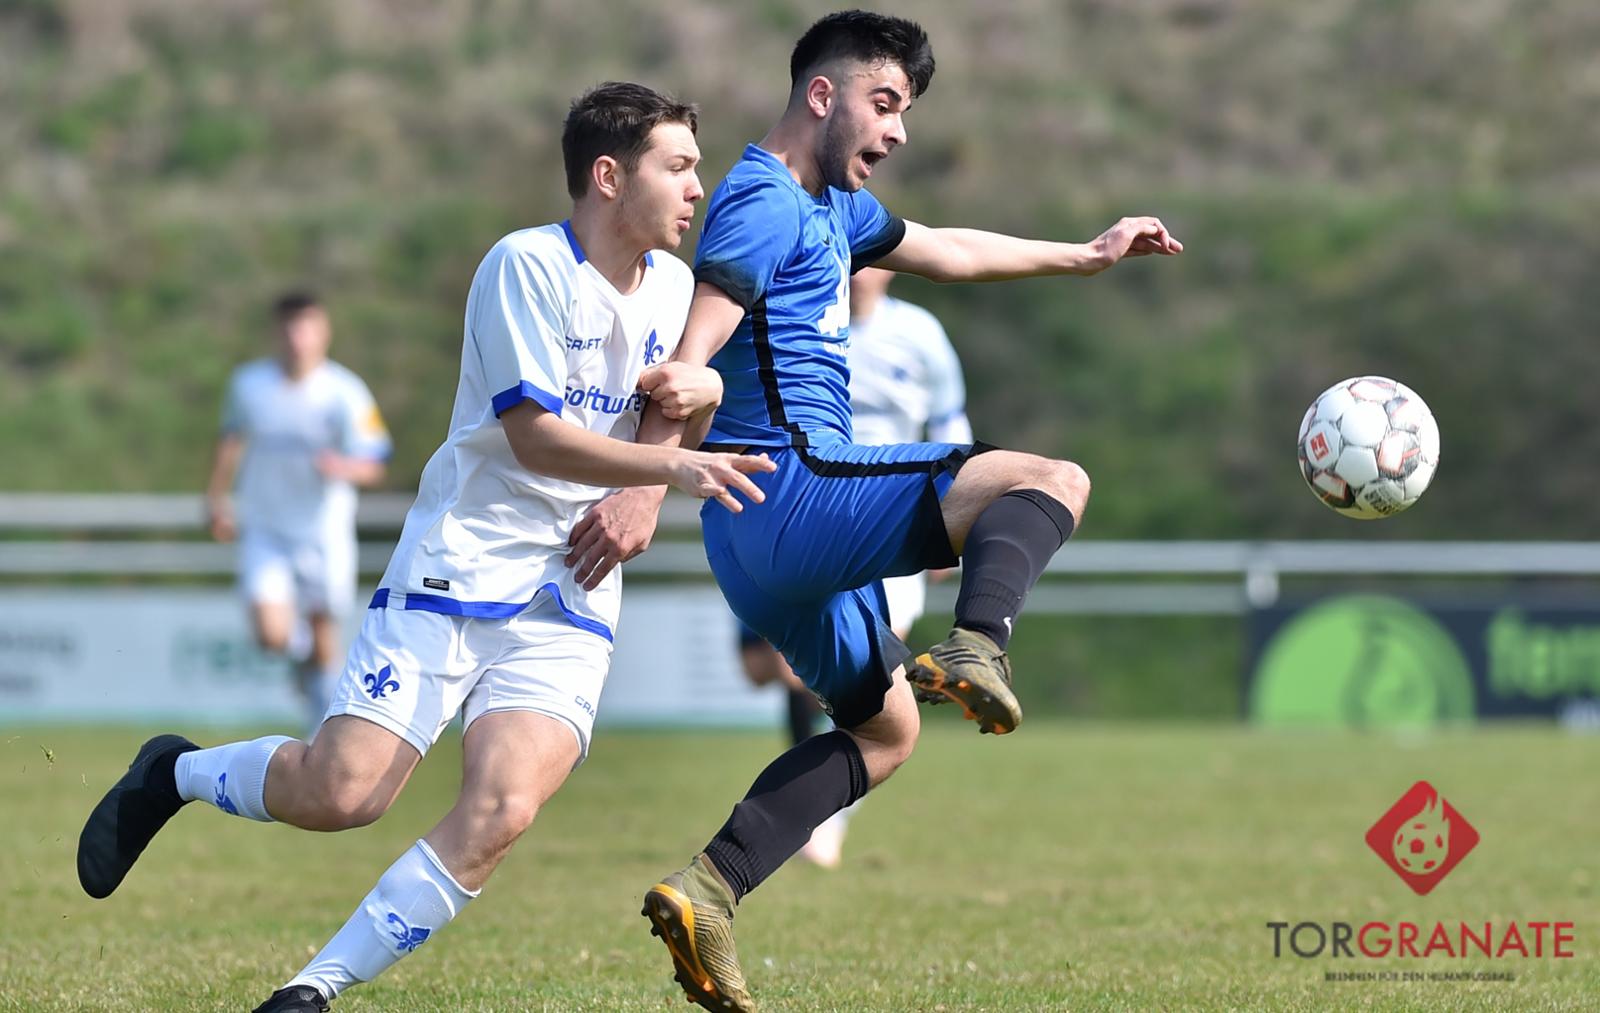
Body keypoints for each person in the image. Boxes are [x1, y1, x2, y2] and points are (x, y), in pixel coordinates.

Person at [76, 82, 773, 1013]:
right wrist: (672, 471)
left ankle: (309, 992)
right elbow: (534, 437)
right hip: (467, 557)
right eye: (678, 166)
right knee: (343, 793)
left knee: (502, 810)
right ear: (609, 176)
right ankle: (174, 771)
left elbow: (672, 406)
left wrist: (671, 448)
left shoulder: (679, 289)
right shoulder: (526, 266)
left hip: (574, 584)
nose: (696, 188)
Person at [621, 12, 1182, 1010]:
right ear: (821, 95)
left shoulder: (833, 206)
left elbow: (948, 250)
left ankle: (708, 888)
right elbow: (686, 363)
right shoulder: (763, 201)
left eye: (906, 109)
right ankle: (977, 643)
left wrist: (1086, 254)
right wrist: (638, 485)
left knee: (886, 730)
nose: (898, 129)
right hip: (792, 487)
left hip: (755, 540)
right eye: (884, 102)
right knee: (1052, 479)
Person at [735, 265, 971, 868]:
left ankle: (824, 816)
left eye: (874, 259)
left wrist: (955, 513)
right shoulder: (802, 321)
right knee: (768, 669)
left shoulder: (920, 334)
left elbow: (950, 422)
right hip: (802, 509)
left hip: (892, 514)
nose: (862, 271)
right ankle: (817, 803)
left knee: (868, 676)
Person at [205, 292, 391, 733]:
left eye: (306, 327)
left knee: (326, 637)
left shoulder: (344, 391)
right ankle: (301, 651)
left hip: (323, 532)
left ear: (324, 332)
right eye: (289, 327)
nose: (297, 338)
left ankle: (320, 732)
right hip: (265, 528)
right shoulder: (249, 385)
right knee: (272, 635)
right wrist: (216, 498)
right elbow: (230, 441)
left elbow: (375, 462)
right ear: (276, 332)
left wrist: (343, 466)